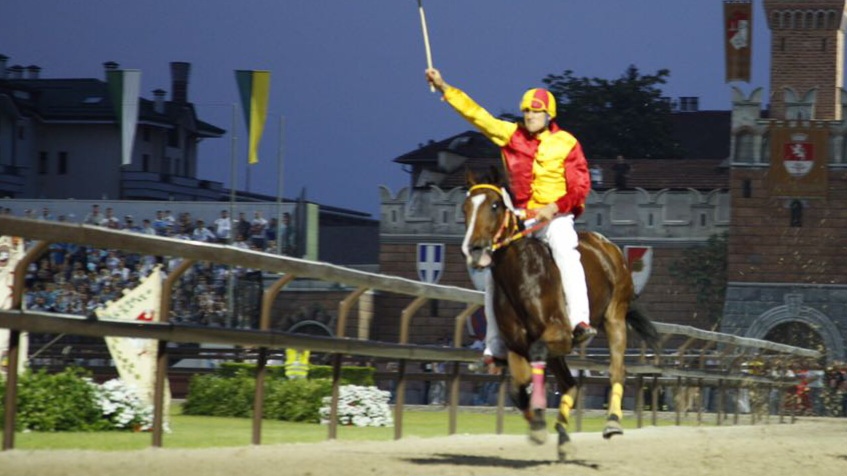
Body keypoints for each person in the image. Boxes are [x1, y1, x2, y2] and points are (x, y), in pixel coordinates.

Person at [425, 68, 596, 363]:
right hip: (520, 217)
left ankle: (578, 321)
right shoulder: (510, 135)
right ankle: (494, 344)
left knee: (567, 252)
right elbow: (477, 115)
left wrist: (554, 207)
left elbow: (581, 186)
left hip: (555, 217)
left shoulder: (567, 143)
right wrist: (443, 87)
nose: (529, 116)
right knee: (495, 270)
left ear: (549, 115)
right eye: (526, 111)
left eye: (536, 111)